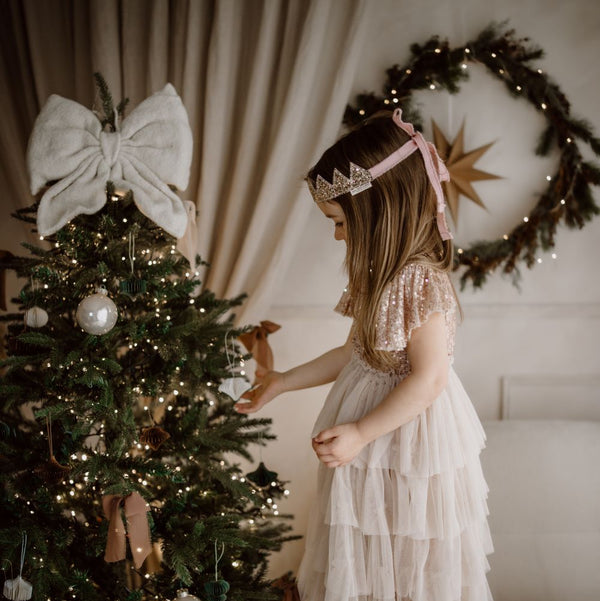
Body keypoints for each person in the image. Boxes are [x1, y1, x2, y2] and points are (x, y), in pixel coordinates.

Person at [234, 109, 494, 601]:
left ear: (378, 209)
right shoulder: (377, 274)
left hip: (408, 441)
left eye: (339, 221)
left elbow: (430, 377)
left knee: (408, 554)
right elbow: (358, 352)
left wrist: (360, 431)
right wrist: (284, 380)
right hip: (369, 441)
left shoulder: (420, 279)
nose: (336, 235)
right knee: (368, 557)